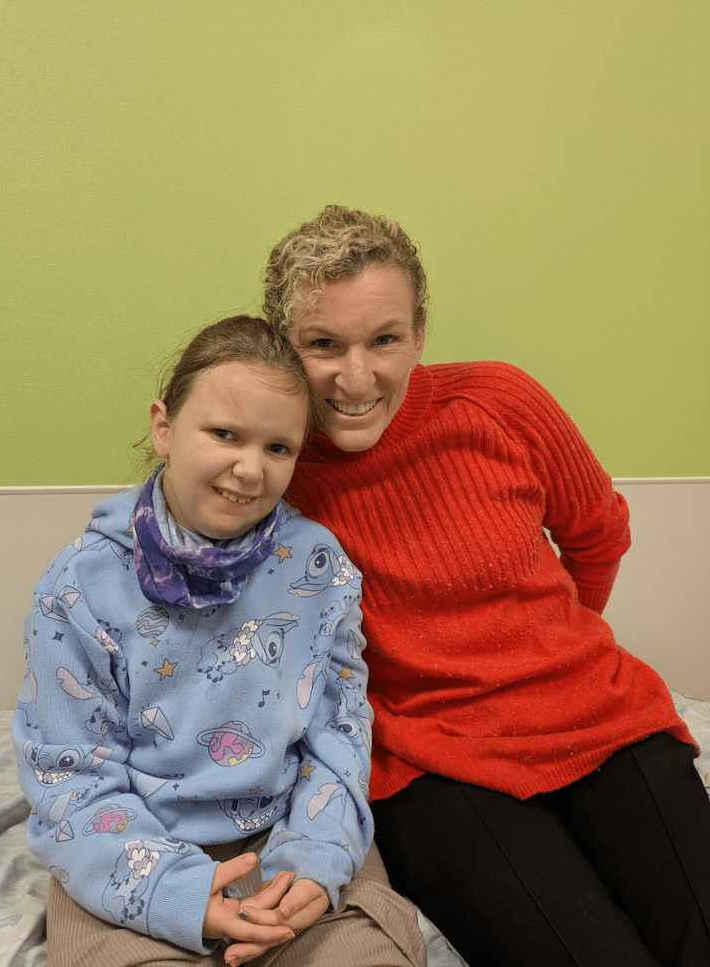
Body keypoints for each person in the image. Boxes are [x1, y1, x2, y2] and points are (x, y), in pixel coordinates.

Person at [262, 205, 710, 967]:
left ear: (420, 335)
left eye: (384, 340)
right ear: (284, 346)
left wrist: (544, 648)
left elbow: (597, 532)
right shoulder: (268, 462)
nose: (356, 376)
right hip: (430, 764)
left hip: (600, 718)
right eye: (323, 345)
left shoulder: (498, 403)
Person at [12, 315, 426, 967]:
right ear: (164, 427)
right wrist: (174, 891)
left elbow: (340, 736)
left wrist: (313, 861)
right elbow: (71, 777)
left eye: (278, 448)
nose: (249, 469)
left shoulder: (318, 570)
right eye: (224, 435)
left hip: (285, 836)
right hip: (131, 843)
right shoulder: (80, 585)